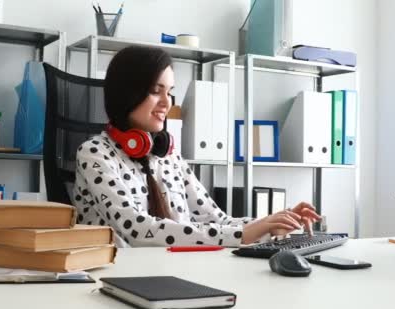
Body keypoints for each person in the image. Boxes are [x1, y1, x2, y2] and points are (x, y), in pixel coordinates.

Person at [72, 45, 320, 247]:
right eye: (155, 91)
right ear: (127, 93)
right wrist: (244, 235)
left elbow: (215, 219)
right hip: (118, 279)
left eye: (169, 92)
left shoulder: (168, 155)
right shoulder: (94, 153)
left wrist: (271, 222)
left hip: (175, 270)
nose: (165, 103)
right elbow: (137, 229)